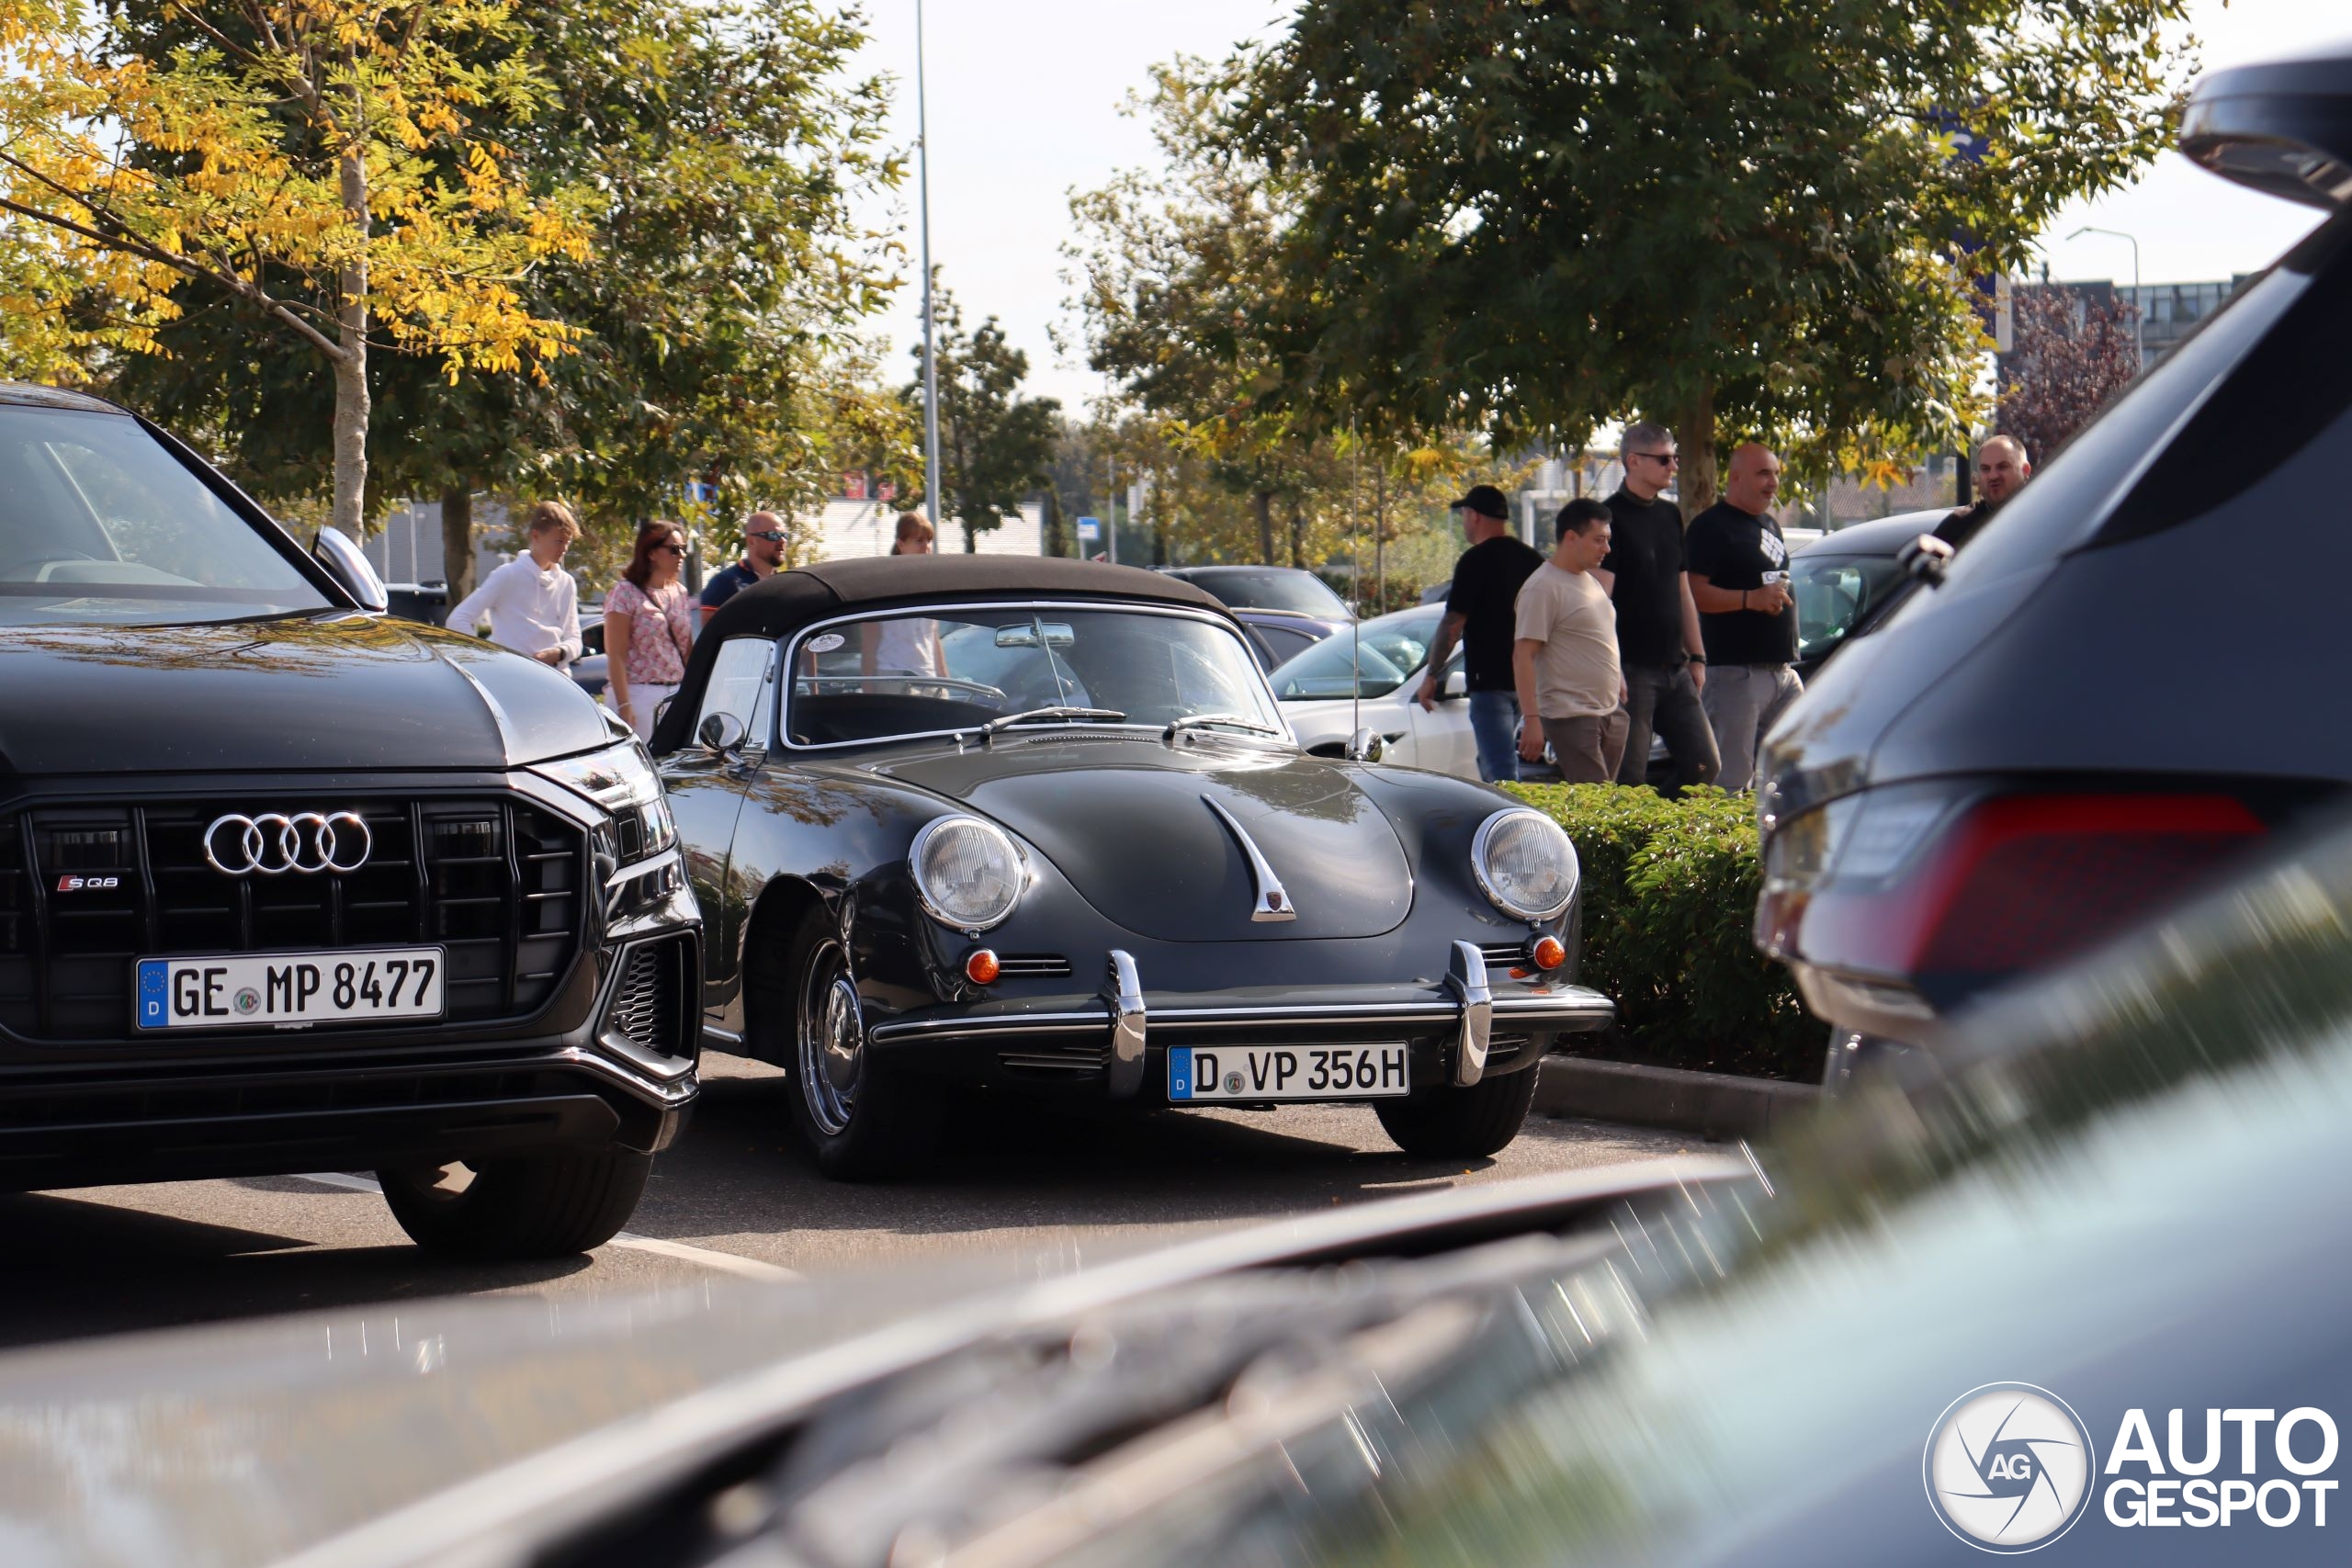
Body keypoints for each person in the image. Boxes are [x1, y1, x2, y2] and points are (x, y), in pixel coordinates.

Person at [1595, 422, 1720, 795]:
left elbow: (1682, 589)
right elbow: (1599, 604)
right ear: (1633, 461)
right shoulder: (1607, 518)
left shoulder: (1670, 515)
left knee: (1704, 765)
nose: (1674, 467)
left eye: (1676, 458)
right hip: (1631, 670)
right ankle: (1628, 847)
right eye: (1665, 459)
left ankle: (1663, 840)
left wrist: (1697, 655)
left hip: (1676, 667)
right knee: (1629, 776)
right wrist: (1611, 668)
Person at [1686, 444, 1801, 792]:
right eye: (1763, 473)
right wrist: (1751, 599)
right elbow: (1694, 593)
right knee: (1729, 782)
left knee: (1790, 768)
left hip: (1782, 671)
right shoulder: (1710, 527)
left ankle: (1764, 842)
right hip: (1737, 674)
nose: (1773, 482)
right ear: (1735, 478)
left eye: (1776, 473)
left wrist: (1770, 601)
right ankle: (1720, 846)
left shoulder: (1769, 524)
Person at [1416, 483, 1544, 783]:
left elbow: (1453, 624)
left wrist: (1432, 674)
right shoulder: (1532, 559)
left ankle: (1510, 827)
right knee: (1500, 764)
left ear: (1473, 516)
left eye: (1463, 515)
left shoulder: (1474, 561)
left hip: (1489, 684)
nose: (1463, 522)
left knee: (1500, 775)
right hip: (1530, 683)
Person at [1512, 499, 1630, 784]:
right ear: (1570, 537)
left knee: (1607, 806)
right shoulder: (1542, 587)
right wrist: (1532, 720)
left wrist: (1619, 680)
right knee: (1599, 810)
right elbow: (1522, 656)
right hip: (1572, 716)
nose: (1607, 548)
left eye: (1608, 539)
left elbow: (1597, 636)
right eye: (1599, 540)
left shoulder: (1588, 580)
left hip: (1610, 711)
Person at [444, 501, 583, 669]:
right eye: (559, 541)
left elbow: (575, 639)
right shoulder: (507, 575)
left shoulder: (566, 582)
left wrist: (558, 653)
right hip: (514, 678)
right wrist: (484, 658)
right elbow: (458, 619)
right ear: (536, 536)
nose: (565, 548)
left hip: (555, 679)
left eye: (568, 542)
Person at [604, 520, 695, 740]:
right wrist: (625, 704)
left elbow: (687, 649)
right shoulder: (625, 592)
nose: (681, 555)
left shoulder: (680, 593)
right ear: (651, 553)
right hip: (639, 695)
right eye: (674, 549)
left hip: (676, 694)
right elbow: (616, 655)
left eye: (683, 549)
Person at [864, 513, 944, 679]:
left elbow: (933, 639)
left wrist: (945, 681)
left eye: (928, 541)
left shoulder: (932, 586)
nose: (926, 547)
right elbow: (869, 640)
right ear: (901, 544)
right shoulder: (883, 586)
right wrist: (868, 686)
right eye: (919, 541)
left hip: (927, 676)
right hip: (893, 676)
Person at [1935, 434, 2032, 552]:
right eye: (1986, 469)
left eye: (2002, 467)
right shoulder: (1957, 526)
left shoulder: (2048, 517)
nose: (1993, 476)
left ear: (2025, 470)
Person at [698, 511, 786, 626]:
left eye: (784, 535)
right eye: (774, 535)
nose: (783, 541)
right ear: (751, 541)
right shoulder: (723, 583)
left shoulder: (784, 583)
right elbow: (709, 638)